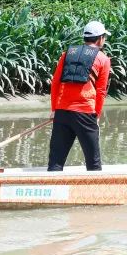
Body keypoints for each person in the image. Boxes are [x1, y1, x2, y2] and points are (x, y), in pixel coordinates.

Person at [47, 20, 112, 172]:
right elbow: (101, 91)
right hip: (85, 113)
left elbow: (55, 83)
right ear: (100, 38)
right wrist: (96, 115)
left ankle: (52, 193)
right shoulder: (103, 59)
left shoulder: (67, 53)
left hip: (62, 112)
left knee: (56, 162)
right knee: (93, 163)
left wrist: (54, 109)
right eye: (104, 37)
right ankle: (95, 194)